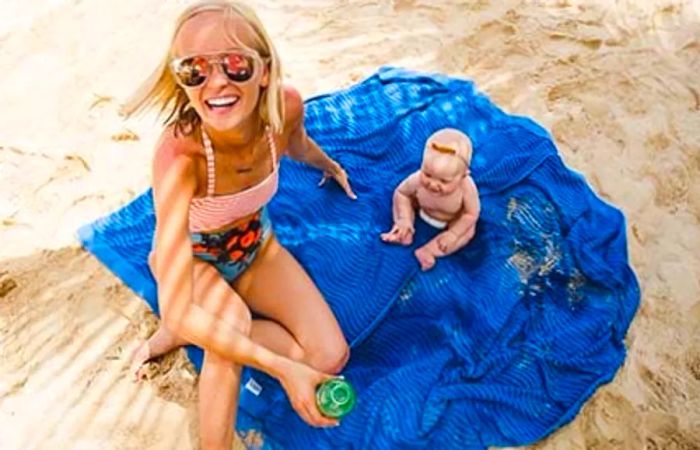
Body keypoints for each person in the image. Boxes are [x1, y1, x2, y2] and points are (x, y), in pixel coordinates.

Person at [122, 1, 356, 448]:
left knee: (330, 356)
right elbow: (177, 302)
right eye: (194, 70)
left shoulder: (283, 108)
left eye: (234, 65)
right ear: (180, 78)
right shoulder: (180, 154)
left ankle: (200, 333)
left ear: (264, 70)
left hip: (256, 248)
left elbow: (299, 145)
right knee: (226, 340)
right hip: (193, 262)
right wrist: (285, 368)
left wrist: (328, 163)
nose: (217, 83)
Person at [380, 128, 480, 271]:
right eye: (427, 174)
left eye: (444, 181)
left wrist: (453, 233)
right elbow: (402, 193)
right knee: (402, 200)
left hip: (451, 219)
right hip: (423, 208)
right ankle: (404, 229)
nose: (433, 184)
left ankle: (429, 251)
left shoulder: (467, 188)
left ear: (463, 175)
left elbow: (471, 214)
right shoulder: (416, 179)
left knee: (468, 231)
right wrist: (403, 218)